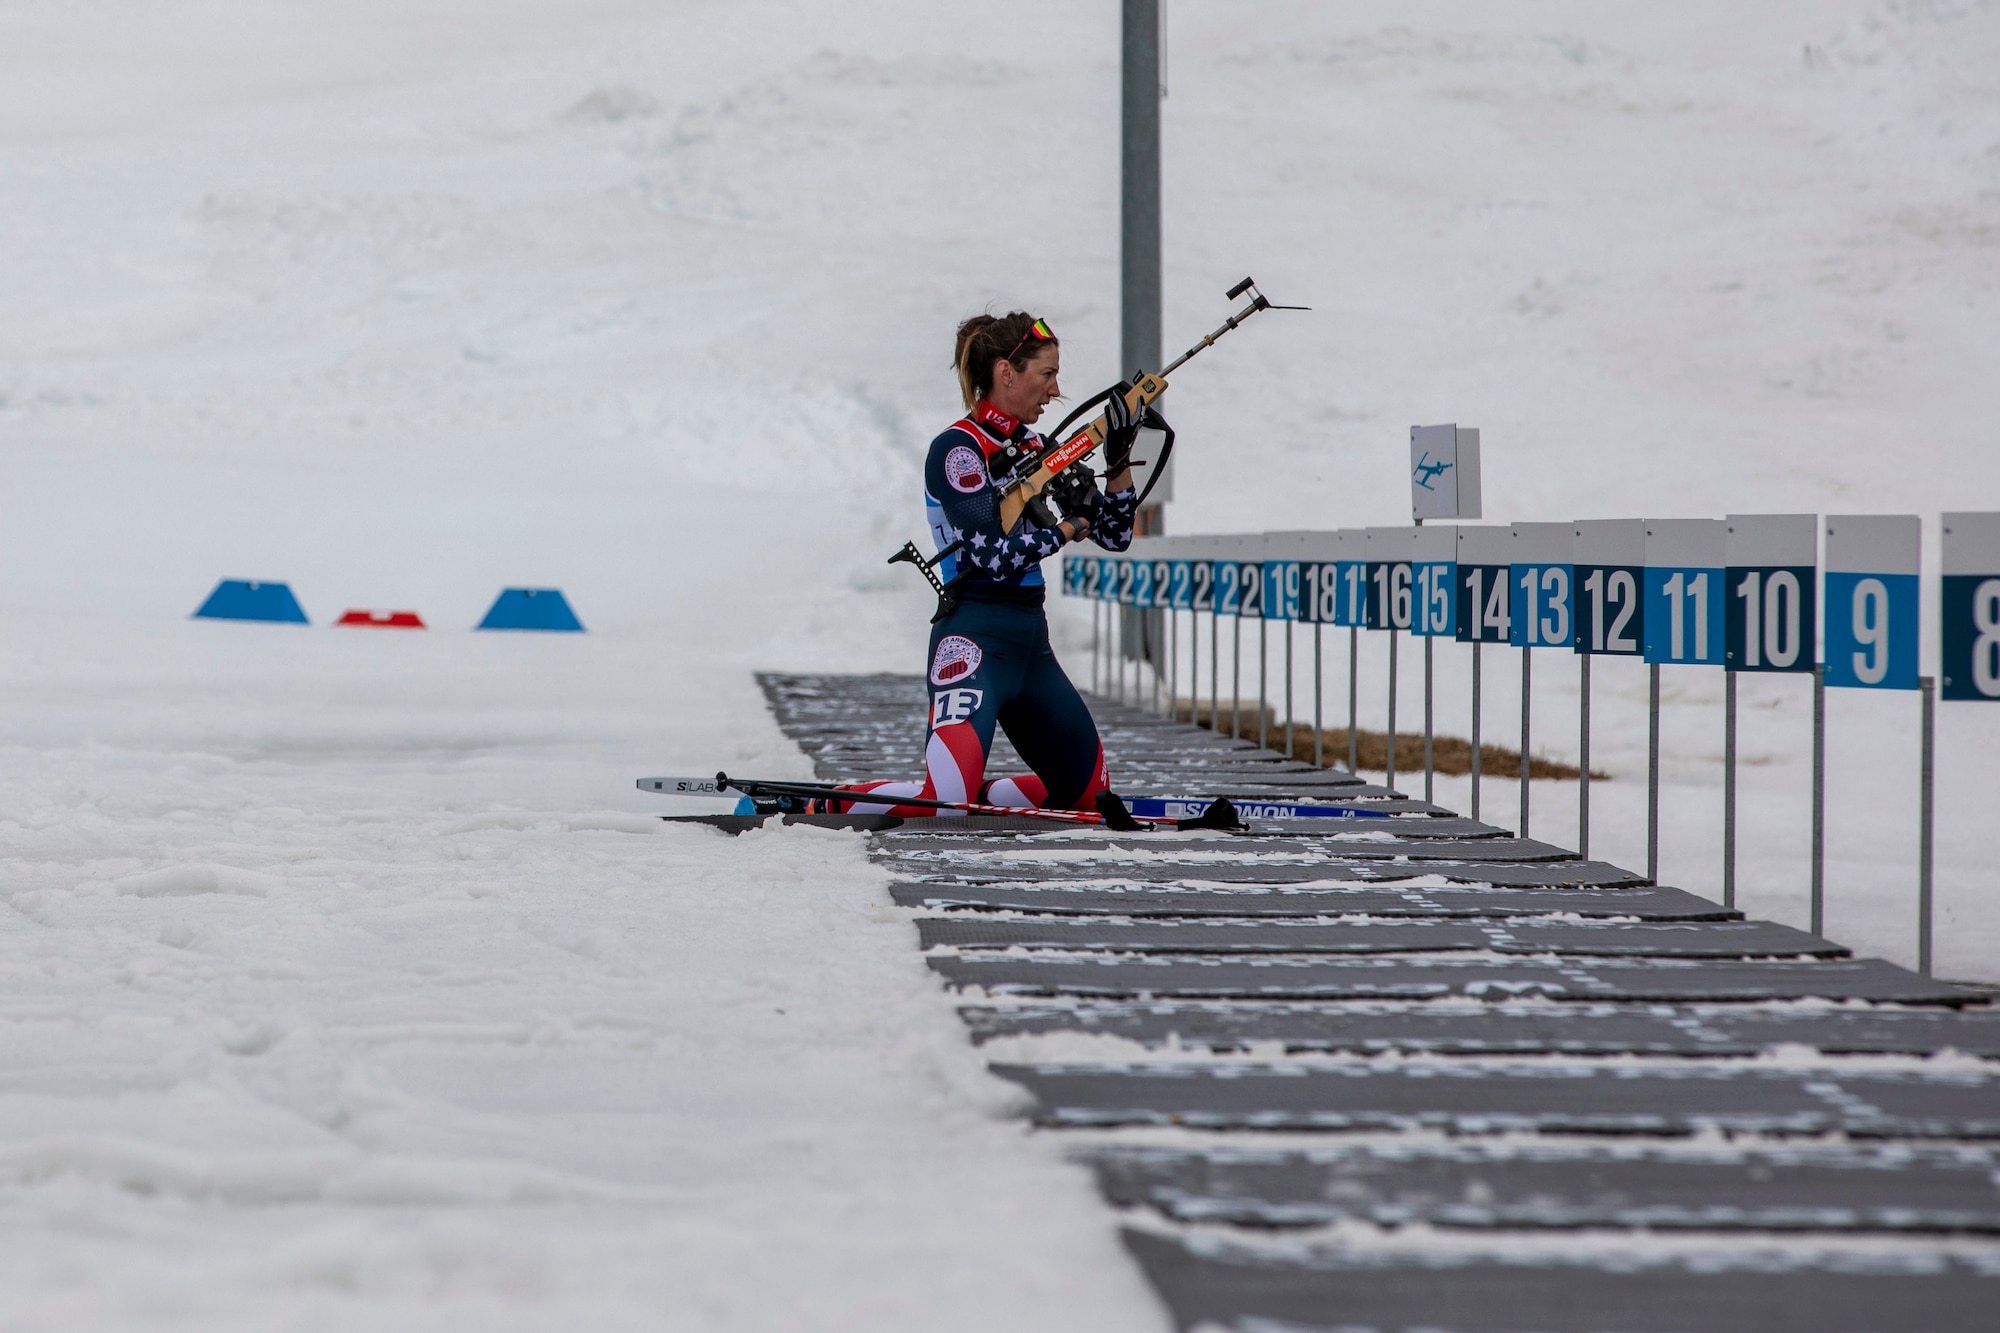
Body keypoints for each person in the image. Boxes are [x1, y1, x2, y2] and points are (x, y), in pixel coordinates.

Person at [828, 311, 1142, 816]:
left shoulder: (1034, 446)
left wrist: (1119, 463)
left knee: (1091, 800)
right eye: (1047, 374)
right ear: (1006, 373)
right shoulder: (957, 451)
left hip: (1029, 646)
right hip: (972, 640)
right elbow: (992, 558)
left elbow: (1115, 534)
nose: (1056, 389)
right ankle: (838, 803)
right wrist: (1066, 527)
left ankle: (980, 791)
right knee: (945, 805)